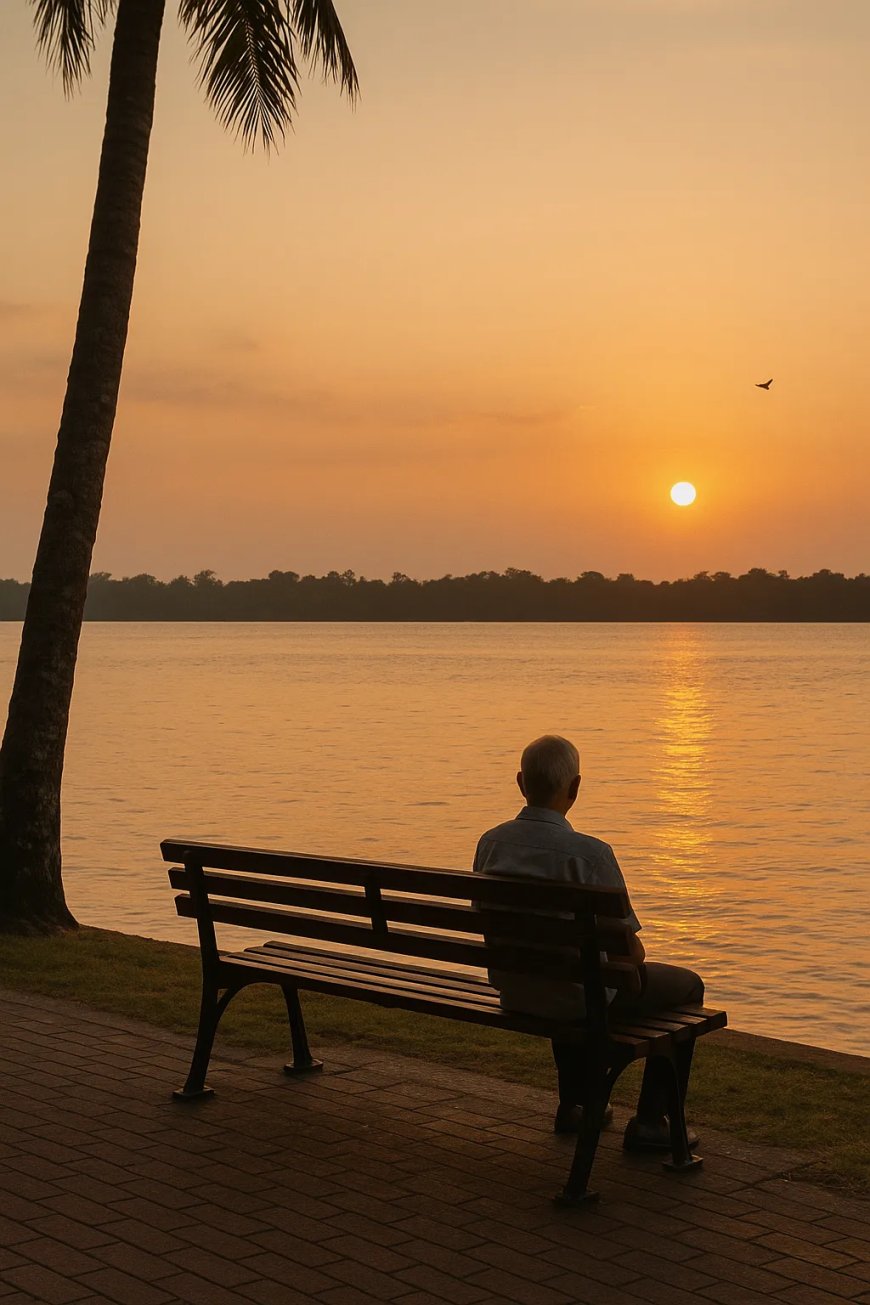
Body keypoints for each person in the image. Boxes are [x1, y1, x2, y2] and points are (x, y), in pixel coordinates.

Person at [473, 734, 704, 1147]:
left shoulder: (491, 843)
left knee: (569, 974)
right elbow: (628, 953)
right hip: (578, 999)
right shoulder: (591, 855)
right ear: (575, 787)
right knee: (687, 986)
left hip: (515, 989)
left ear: (521, 782)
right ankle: (651, 1123)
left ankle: (576, 1106)